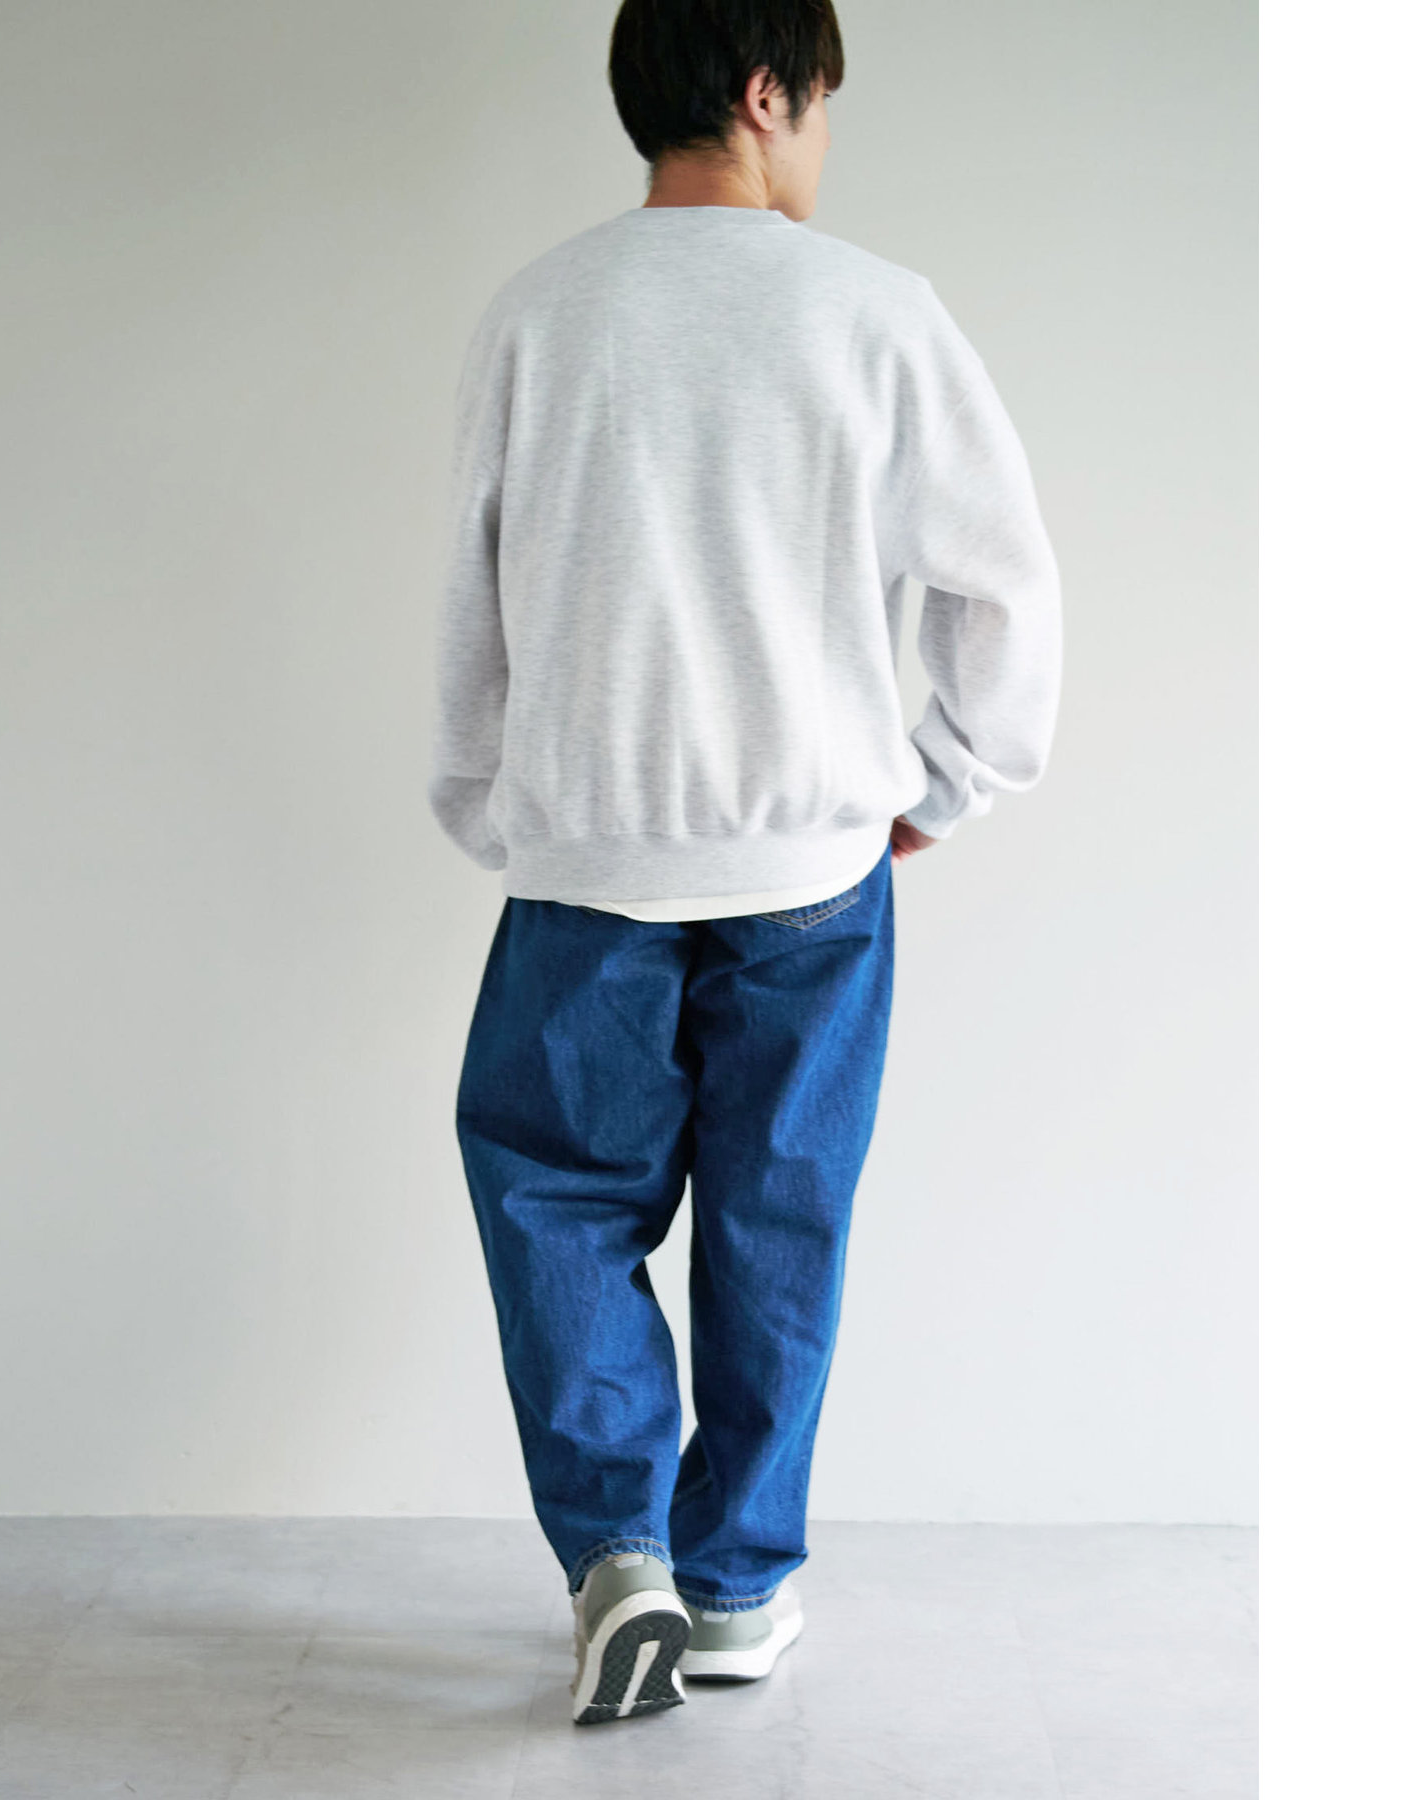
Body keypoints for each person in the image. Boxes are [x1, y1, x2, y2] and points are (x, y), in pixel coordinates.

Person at [426, 0, 1062, 1727]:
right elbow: (1004, 586)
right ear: (769, 92)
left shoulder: (541, 311)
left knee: (554, 1196)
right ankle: (734, 1589)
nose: (826, 142)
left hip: (589, 864)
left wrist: (493, 803)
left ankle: (617, 1552)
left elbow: (474, 590)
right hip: (813, 869)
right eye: (825, 103)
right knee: (780, 1220)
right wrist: (951, 781)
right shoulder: (875, 311)